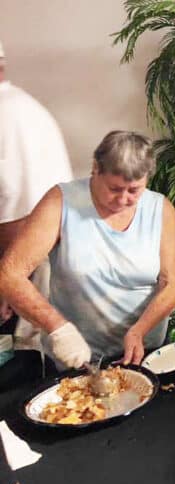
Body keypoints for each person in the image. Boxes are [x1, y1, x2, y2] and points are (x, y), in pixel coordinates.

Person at [0, 131, 175, 369]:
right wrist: (58, 328)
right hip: (77, 358)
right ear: (95, 168)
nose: (123, 199)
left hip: (143, 354)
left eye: (134, 190)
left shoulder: (160, 209)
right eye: (115, 188)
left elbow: (172, 283)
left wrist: (139, 331)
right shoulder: (61, 202)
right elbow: (10, 274)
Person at [0, 39, 73, 388]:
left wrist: (7, 285)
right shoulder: (26, 107)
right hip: (36, 269)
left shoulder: (6, 116)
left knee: (29, 378)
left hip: (31, 272)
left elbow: (16, 213)